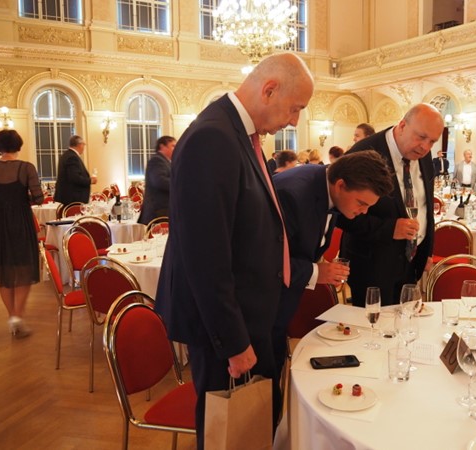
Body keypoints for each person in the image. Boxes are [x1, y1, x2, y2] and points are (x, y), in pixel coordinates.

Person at [154, 53, 314, 450]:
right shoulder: (213, 138)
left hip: (248, 315)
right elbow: (205, 256)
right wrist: (234, 342)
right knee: (227, 432)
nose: (295, 121)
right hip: (225, 327)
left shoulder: (237, 134)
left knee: (249, 429)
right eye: (295, 108)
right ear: (269, 90)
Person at [271, 150, 393, 375]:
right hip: (258, 308)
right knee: (256, 385)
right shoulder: (293, 195)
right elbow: (264, 260)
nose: (364, 212)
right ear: (340, 185)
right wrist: (316, 272)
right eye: (361, 203)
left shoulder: (326, 187)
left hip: (281, 302)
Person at [339, 103, 444, 306]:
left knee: (406, 320)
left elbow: (426, 205)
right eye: (421, 137)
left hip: (411, 262)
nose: (425, 147)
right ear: (402, 125)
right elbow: (341, 214)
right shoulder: (363, 152)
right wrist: (389, 229)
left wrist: (426, 250)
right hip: (372, 266)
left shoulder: (422, 154)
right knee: (374, 323)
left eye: (432, 141)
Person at [0, 129, 44, 338]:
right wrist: (20, 200)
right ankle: (17, 316)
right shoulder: (26, 167)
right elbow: (38, 198)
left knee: (4, 272)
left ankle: (12, 315)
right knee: (23, 269)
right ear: (18, 145)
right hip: (20, 222)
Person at [137, 135, 176, 225]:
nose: (175, 149)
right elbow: (159, 181)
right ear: (162, 146)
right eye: (173, 146)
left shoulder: (166, 162)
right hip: (158, 210)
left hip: (162, 209)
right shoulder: (157, 160)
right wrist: (179, 185)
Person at [54, 135, 97, 206]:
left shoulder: (66, 155)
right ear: (79, 145)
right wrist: (90, 180)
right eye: (83, 144)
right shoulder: (72, 157)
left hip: (69, 197)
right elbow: (75, 178)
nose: (84, 147)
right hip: (74, 198)